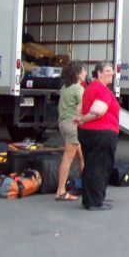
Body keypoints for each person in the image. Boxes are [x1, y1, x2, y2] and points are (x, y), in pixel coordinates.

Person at [73, 61, 120, 211]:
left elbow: (79, 107)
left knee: (91, 166)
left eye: (112, 70)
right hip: (101, 133)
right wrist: (82, 119)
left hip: (88, 133)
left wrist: (80, 119)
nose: (111, 73)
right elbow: (97, 111)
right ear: (99, 73)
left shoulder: (90, 88)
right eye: (108, 70)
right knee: (100, 167)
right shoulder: (102, 90)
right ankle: (95, 201)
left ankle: (90, 198)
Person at [54, 60, 87, 201]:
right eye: (84, 71)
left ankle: (84, 186)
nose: (86, 73)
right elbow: (84, 106)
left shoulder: (65, 87)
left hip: (63, 123)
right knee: (68, 158)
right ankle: (61, 191)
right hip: (72, 125)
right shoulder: (78, 89)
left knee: (81, 156)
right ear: (78, 73)